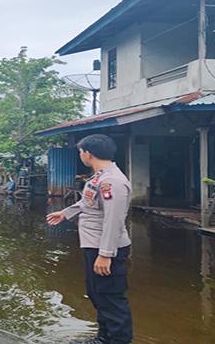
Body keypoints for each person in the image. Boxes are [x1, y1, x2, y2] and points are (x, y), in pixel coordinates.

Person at [46, 134, 133, 344]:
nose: (80, 155)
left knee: (111, 296)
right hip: (93, 244)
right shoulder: (99, 176)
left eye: (81, 152)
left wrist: (105, 255)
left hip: (105, 248)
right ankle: (104, 338)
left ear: (88, 154)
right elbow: (88, 202)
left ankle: (119, 340)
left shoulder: (112, 181)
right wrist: (66, 213)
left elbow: (114, 220)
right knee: (97, 293)